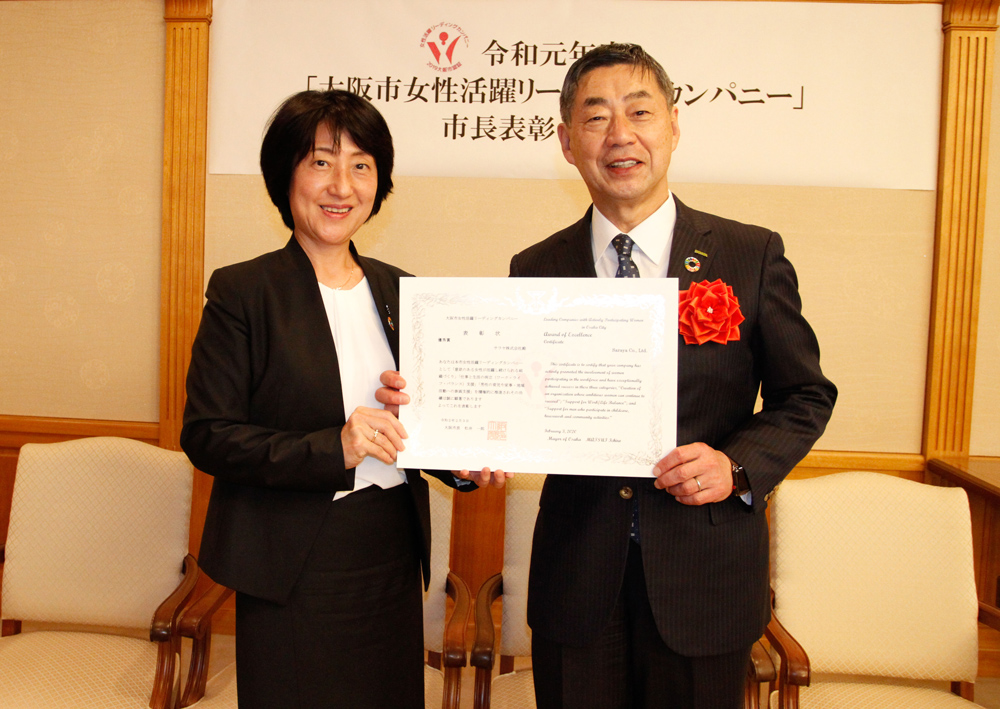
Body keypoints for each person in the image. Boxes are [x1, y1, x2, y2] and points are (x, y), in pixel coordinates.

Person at [509, 44, 837, 708]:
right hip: (577, 577)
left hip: (706, 577)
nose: (620, 134)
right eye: (596, 117)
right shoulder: (536, 267)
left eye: (640, 111)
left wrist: (736, 465)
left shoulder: (748, 254)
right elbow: (520, 400)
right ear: (568, 143)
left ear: (675, 126)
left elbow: (805, 394)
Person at [180, 89, 504, 709]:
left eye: (361, 165)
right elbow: (208, 433)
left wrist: (460, 463)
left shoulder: (402, 289)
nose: (341, 185)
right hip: (292, 557)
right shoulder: (244, 291)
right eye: (321, 161)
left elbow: (418, 423)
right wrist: (335, 446)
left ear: (378, 185)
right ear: (286, 175)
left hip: (387, 549)